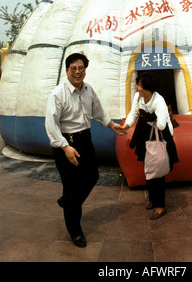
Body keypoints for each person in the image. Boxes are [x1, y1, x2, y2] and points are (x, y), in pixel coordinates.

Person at [45, 52, 125, 247]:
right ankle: (75, 231)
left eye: (81, 68)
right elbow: (51, 124)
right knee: (72, 187)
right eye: (73, 68)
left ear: (85, 70)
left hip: (85, 140)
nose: (77, 72)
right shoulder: (58, 93)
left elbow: (97, 110)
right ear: (67, 71)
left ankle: (68, 203)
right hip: (66, 142)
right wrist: (65, 147)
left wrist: (111, 124)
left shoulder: (88, 89)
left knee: (92, 177)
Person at [121, 72, 179, 220]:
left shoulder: (159, 101)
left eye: (140, 86)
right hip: (145, 132)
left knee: (157, 171)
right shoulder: (138, 96)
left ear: (149, 89)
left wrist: (148, 117)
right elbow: (134, 113)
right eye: (138, 84)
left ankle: (160, 206)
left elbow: (160, 125)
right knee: (148, 166)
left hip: (161, 135)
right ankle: (153, 200)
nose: (137, 88)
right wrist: (126, 126)